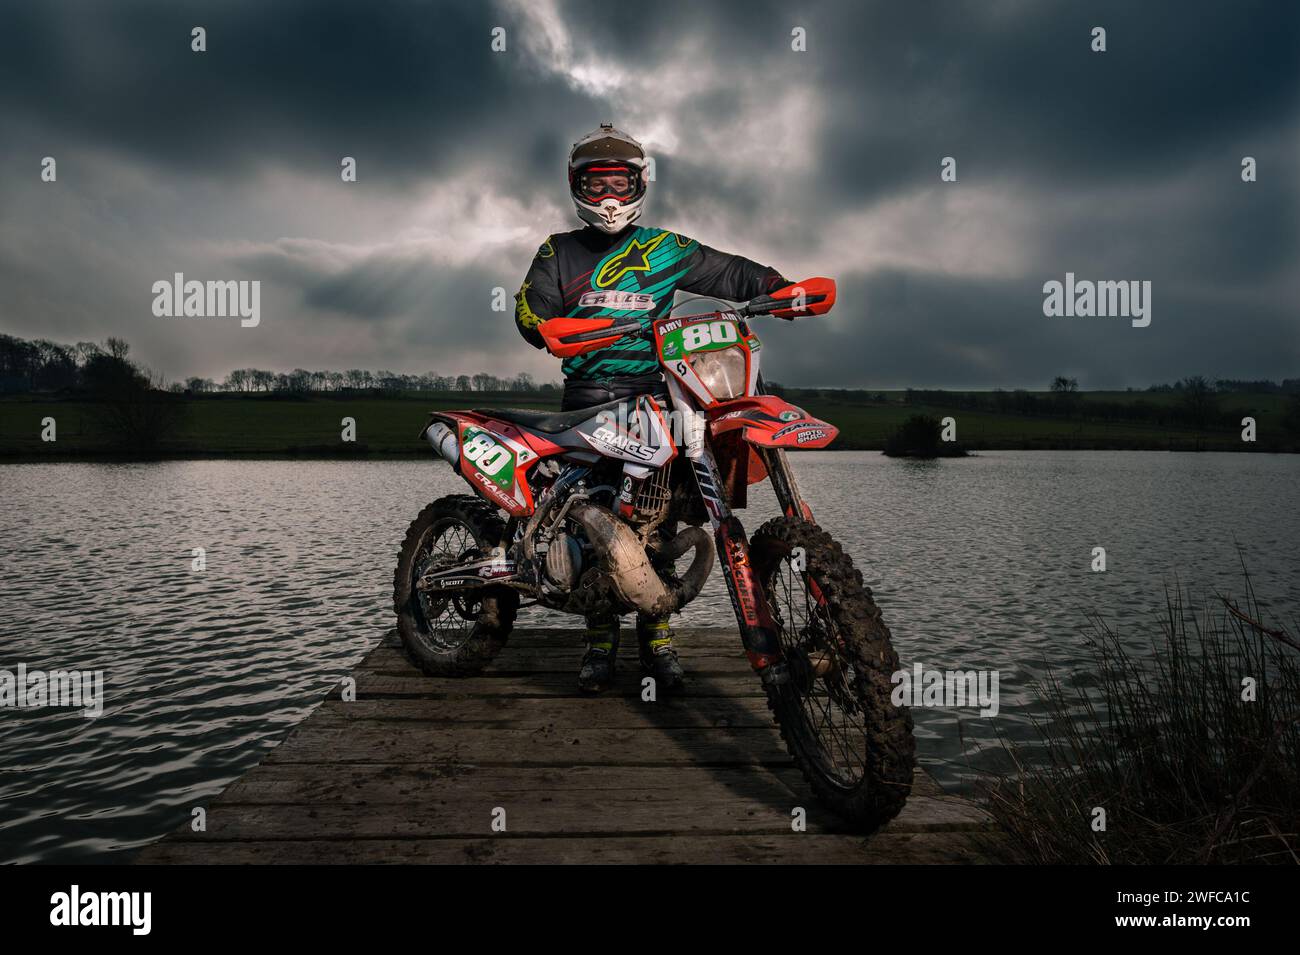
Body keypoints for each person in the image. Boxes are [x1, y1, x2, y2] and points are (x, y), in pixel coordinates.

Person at [514, 123, 791, 694]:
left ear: (642, 184)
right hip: (587, 399)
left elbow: (727, 270)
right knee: (590, 517)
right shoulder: (558, 251)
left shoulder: (666, 246)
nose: (609, 198)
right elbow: (527, 305)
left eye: (620, 183)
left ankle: (658, 644)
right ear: (576, 187)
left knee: (656, 518)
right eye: (596, 186)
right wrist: (542, 326)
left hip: (657, 393)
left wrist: (778, 286)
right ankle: (598, 646)